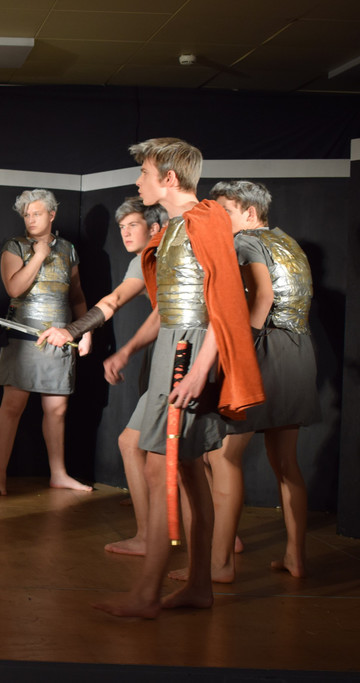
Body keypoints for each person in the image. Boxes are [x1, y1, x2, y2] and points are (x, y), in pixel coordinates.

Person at [93, 138, 263, 618]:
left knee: (162, 467)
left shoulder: (205, 219)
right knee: (184, 469)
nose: (138, 181)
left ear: (169, 178)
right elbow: (168, 307)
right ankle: (198, 586)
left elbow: (224, 304)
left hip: (191, 352)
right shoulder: (174, 228)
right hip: (175, 346)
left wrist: (199, 372)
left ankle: (147, 594)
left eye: (144, 173)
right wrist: (128, 349)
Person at [170, 180, 318, 582]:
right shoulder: (289, 243)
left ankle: (219, 565)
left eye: (227, 212)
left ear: (250, 213)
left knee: (222, 457)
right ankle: (295, 558)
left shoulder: (245, 241)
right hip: (300, 354)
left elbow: (262, 298)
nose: (220, 220)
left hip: (265, 351)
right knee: (286, 463)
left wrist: (238, 348)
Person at [38, 197, 167, 554]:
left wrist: (124, 352)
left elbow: (167, 314)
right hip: (163, 353)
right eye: (121, 227)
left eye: (133, 225)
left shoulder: (172, 253)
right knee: (178, 453)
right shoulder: (141, 261)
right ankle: (218, 539)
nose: (125, 233)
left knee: (147, 446)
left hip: (187, 352)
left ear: (155, 228)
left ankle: (154, 538)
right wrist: (74, 330)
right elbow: (113, 300)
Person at [0, 189, 93, 495]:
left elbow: (77, 296)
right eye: (26, 215)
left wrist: (86, 331)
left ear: (52, 215)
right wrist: (39, 255)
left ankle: (58, 474)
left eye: (37, 213)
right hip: (23, 336)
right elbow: (14, 289)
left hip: (60, 335)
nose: (31, 219)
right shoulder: (14, 246)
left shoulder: (69, 249)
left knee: (57, 409)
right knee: (12, 406)